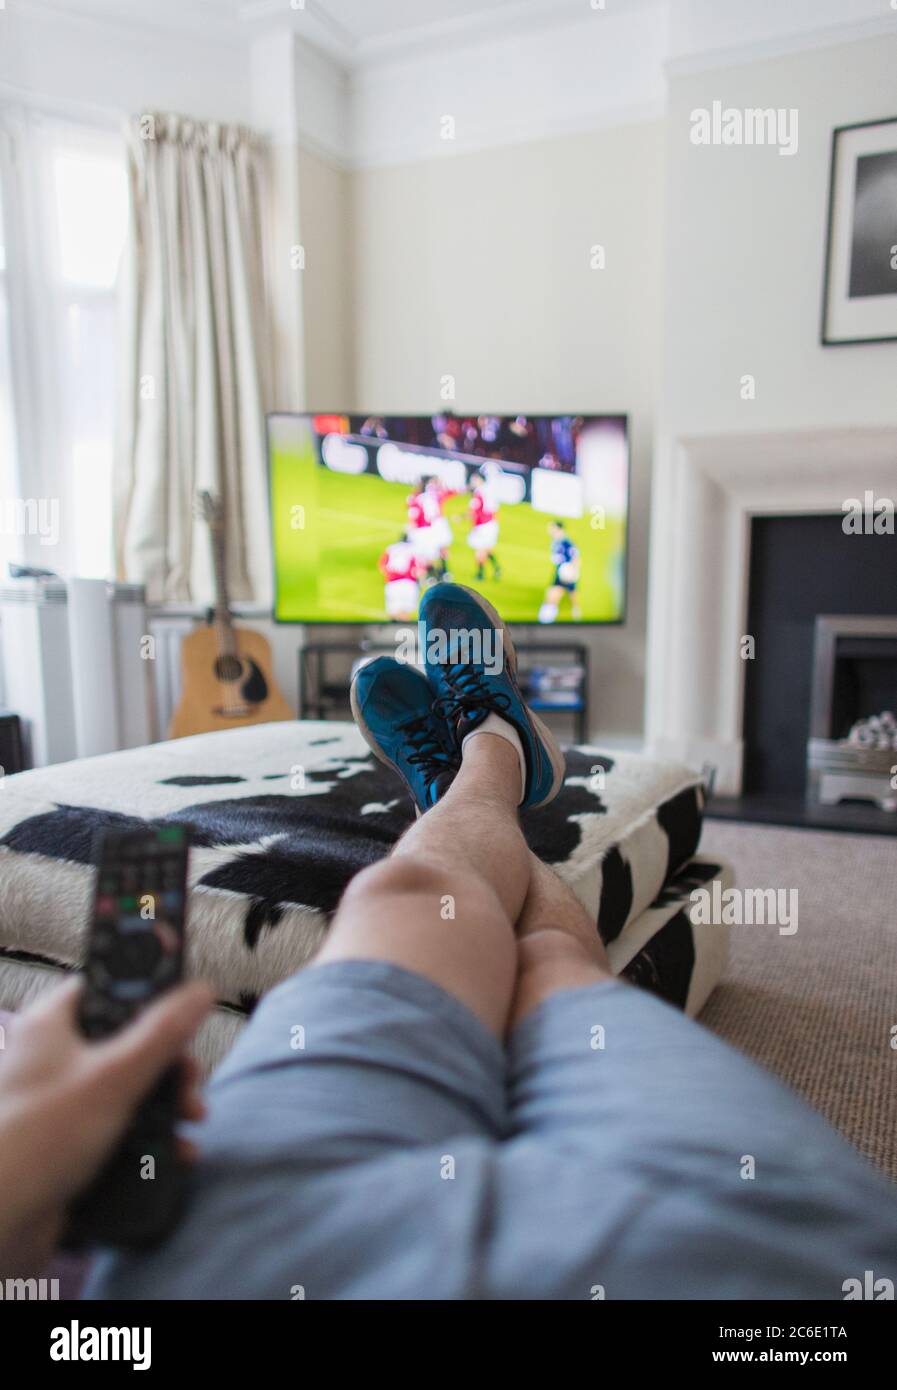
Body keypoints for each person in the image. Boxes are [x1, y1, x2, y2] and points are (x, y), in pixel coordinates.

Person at [3, 582, 897, 1300]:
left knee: (409, 889)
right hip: (751, 1255)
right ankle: (495, 752)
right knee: (552, 965)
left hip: (248, 1245)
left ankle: (466, 783)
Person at [539, 519, 581, 623]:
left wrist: (573, 571)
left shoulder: (565, 542)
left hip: (566, 573)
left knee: (555, 594)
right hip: (561, 571)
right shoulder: (556, 541)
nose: (549, 529)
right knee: (570, 593)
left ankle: (546, 618)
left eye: (552, 527)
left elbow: (576, 557)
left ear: (557, 528)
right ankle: (575, 612)